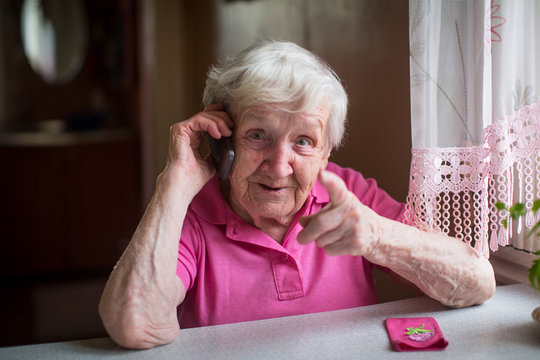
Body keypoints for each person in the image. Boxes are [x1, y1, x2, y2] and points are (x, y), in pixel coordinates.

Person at [98, 40, 496, 349]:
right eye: (258, 135)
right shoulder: (190, 211)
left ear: (325, 153)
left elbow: (477, 281)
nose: (278, 164)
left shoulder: (349, 195)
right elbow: (136, 326)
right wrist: (174, 183)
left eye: (303, 141)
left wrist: (377, 235)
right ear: (223, 141)